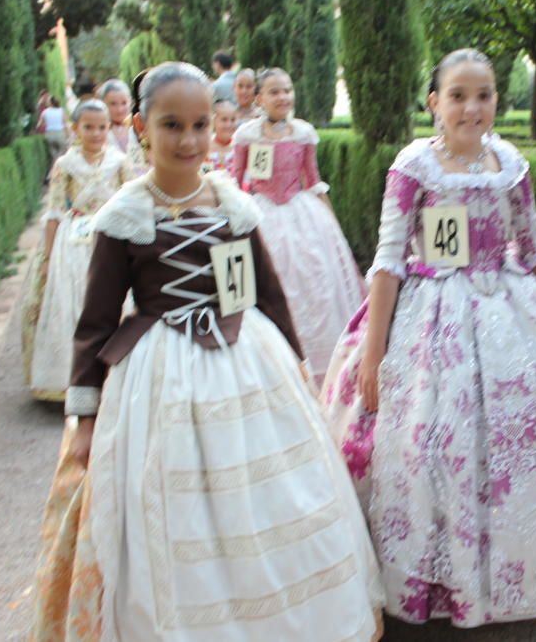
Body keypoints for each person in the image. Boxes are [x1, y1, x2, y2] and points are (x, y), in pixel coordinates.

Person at [30, 62, 383, 642]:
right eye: (173, 125)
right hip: (157, 375)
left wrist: (296, 367)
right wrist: (86, 415)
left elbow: (265, 295)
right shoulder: (124, 216)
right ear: (142, 126)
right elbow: (95, 325)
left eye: (199, 125)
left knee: (265, 495)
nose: (190, 140)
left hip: (246, 358)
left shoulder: (233, 207)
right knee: (174, 507)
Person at [319, 49, 536, 628]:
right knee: (432, 443)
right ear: (433, 103)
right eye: (459, 95)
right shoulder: (414, 166)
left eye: (485, 94)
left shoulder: (510, 162)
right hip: (430, 317)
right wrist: (374, 355)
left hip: (511, 309)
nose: (472, 107)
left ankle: (521, 568)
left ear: (497, 100)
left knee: (523, 443)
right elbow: (389, 262)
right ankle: (438, 574)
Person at [231, 68, 366, 381]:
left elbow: (313, 179)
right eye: (275, 92)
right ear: (259, 98)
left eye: (287, 90)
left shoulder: (303, 132)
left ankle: (321, 363)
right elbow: (237, 182)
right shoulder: (247, 135)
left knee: (316, 280)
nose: (283, 97)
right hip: (261, 210)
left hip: (302, 213)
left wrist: (332, 224)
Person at [24, 99, 134, 402]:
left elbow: (132, 202)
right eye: (89, 127)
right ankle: (74, 380)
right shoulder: (65, 165)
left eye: (102, 127)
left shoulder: (119, 161)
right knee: (75, 305)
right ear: (75, 129)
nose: (96, 133)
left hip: (113, 238)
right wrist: (46, 258)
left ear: (110, 128)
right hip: (74, 244)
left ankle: (117, 379)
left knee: (116, 303)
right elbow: (55, 211)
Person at [205, 98, 239, 173]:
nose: (229, 125)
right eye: (224, 120)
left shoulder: (239, 146)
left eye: (233, 120)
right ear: (213, 121)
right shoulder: (204, 147)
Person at [37, 96, 68, 163]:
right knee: (63, 153)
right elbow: (65, 124)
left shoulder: (45, 112)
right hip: (60, 133)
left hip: (49, 134)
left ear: (51, 103)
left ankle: (56, 165)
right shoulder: (61, 110)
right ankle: (60, 168)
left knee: (54, 154)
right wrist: (68, 134)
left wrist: (46, 124)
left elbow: (39, 125)